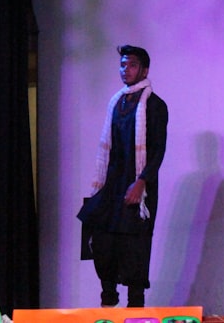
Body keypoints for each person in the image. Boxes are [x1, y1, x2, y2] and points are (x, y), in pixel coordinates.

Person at [78, 45, 169, 308]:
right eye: (122, 64)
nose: (124, 70)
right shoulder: (116, 102)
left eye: (130, 65)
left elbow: (158, 150)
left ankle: (134, 310)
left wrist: (141, 182)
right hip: (112, 186)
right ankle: (108, 305)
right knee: (103, 245)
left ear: (144, 69)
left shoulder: (154, 106)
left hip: (139, 189)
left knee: (135, 255)